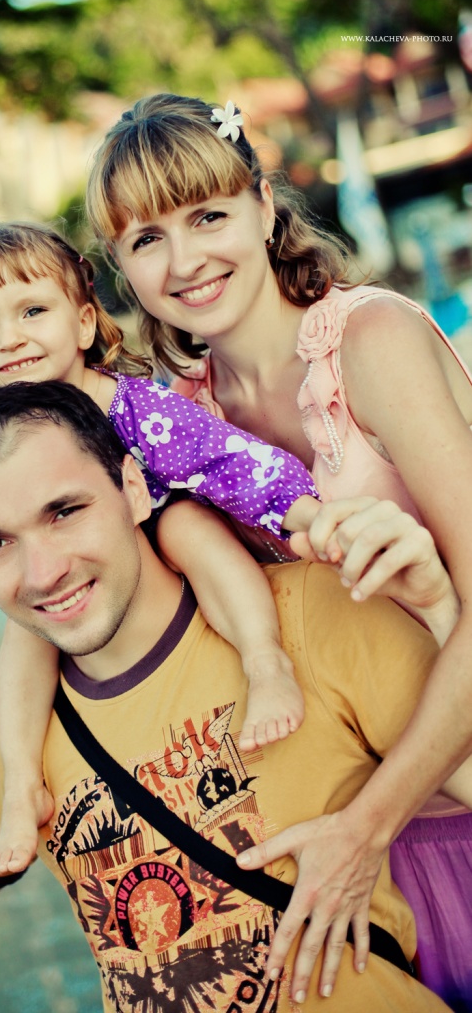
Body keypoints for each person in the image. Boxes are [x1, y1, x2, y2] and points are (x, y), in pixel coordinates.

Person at [0, 381, 467, 1012]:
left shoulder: (311, 615)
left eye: (64, 511)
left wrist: (440, 611)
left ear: (132, 488)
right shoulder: (16, 713)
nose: (43, 573)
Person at [85, 92, 472, 1011]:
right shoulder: (180, 420)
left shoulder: (369, 342)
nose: (184, 261)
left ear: (263, 206)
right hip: (357, 849)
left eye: (206, 216)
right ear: (121, 268)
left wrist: (364, 828)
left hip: (418, 814)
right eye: (146, 240)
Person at [0, 222, 323, 882]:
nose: (9, 338)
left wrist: (315, 519)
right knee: (25, 626)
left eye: (32, 311)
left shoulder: (132, 406)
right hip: (75, 580)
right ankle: (22, 786)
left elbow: (229, 463)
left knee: (187, 524)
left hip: (156, 541)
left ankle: (264, 662)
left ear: (83, 323)